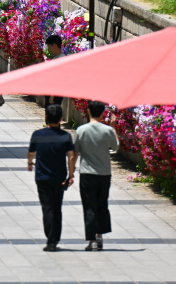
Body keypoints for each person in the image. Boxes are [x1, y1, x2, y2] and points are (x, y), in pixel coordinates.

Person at [27, 104, 76, 252]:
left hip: (42, 177)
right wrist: (71, 174)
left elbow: (30, 153)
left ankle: (50, 239)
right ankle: (54, 239)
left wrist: (30, 163)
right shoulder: (65, 137)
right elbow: (71, 157)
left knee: (47, 208)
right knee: (57, 207)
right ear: (61, 119)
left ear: (46, 117)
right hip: (59, 177)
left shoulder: (37, 134)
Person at [73, 101, 119, 251]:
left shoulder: (81, 130)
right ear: (103, 112)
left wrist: (71, 171)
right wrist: (113, 126)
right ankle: (100, 236)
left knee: (89, 206)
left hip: (87, 173)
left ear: (88, 111)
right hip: (104, 173)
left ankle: (92, 240)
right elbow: (115, 147)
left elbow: (75, 151)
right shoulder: (107, 130)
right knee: (102, 204)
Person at [44, 35, 66, 108]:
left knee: (52, 116)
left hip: (54, 96)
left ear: (55, 45)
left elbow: (58, 79)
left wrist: (52, 96)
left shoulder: (61, 60)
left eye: (49, 47)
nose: (49, 50)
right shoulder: (56, 58)